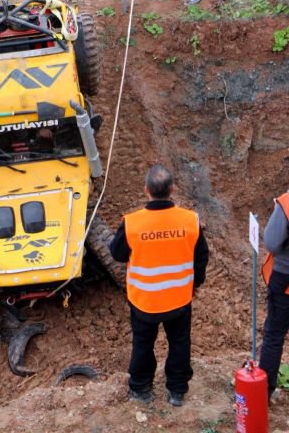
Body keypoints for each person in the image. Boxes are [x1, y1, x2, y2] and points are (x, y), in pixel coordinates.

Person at [109, 164, 209, 406]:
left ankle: (141, 389)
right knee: (179, 344)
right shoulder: (190, 220)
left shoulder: (132, 223)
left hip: (144, 301)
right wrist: (195, 283)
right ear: (172, 189)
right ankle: (176, 391)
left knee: (143, 345)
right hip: (179, 300)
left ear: (146, 190)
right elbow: (202, 257)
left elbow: (117, 254)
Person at [259, 190, 289, 402]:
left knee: (274, 335)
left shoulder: (287, 203)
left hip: (285, 278)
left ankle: (264, 392)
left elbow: (272, 242)